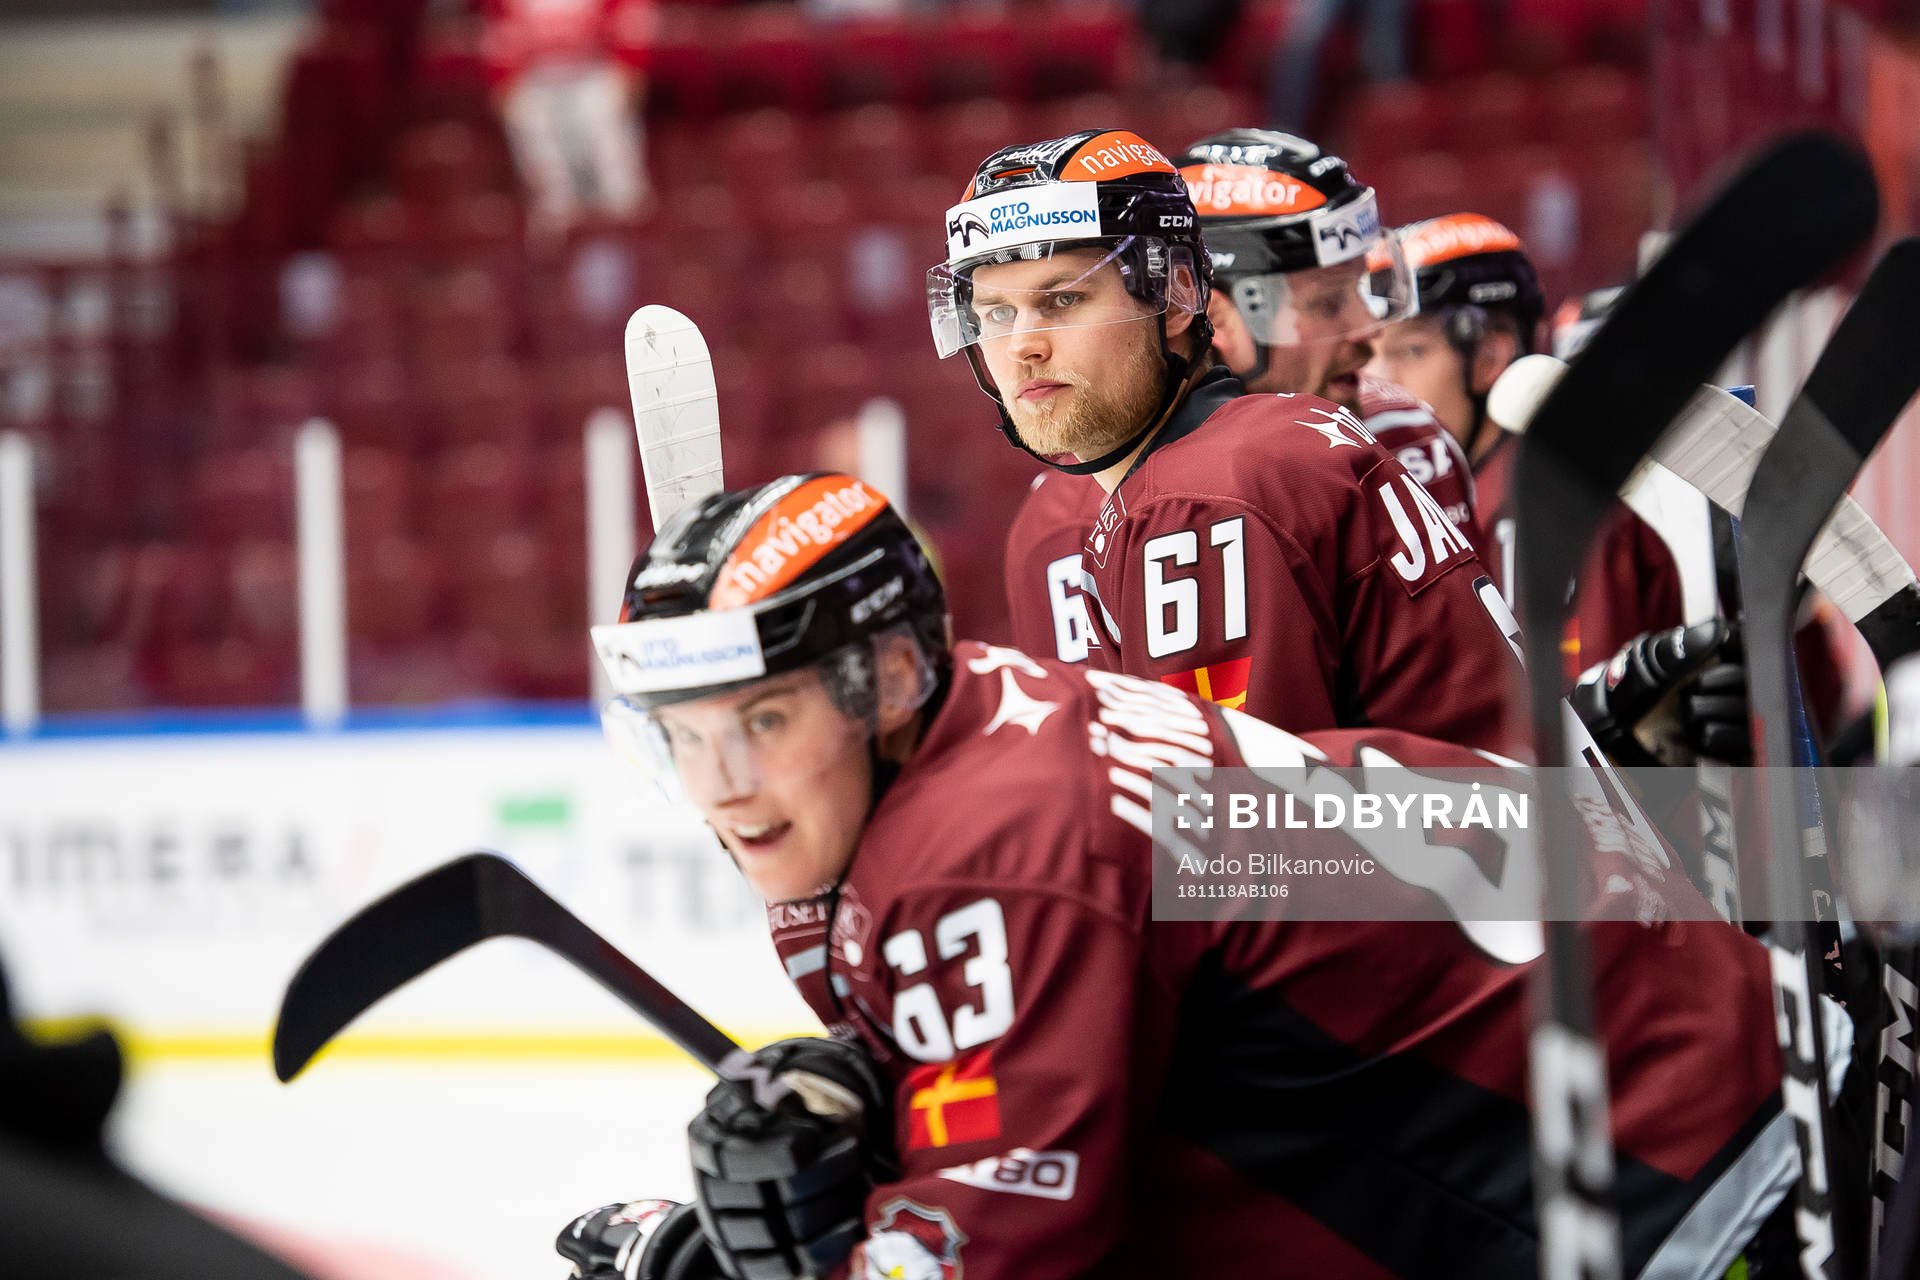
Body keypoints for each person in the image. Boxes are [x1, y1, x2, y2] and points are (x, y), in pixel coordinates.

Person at [572, 470, 1798, 1279]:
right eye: (684, 733)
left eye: (765, 720)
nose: (720, 782)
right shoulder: (993, 708)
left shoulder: (990, 845)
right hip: (1689, 1055)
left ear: (888, 681)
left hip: (1670, 1177)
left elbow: (1010, 1250)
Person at [941, 127, 1511, 751]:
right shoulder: (1249, 454)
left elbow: (1239, 833)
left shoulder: (1204, 495)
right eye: (997, 313)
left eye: (1065, 299)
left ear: (1180, 296)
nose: (1023, 344)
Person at [1367, 214, 1688, 681]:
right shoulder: (1424, 493)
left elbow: (1584, 730)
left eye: (1410, 351)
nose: (1378, 382)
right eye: (1370, 352)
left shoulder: (1564, 505)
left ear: (1490, 358)